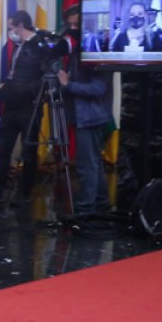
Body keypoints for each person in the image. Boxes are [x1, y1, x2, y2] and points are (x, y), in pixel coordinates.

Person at [0, 10, 46, 206]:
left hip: (29, 108)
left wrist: (22, 89)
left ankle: (24, 194)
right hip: (11, 107)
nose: (10, 32)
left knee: (29, 151)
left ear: (21, 26)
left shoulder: (39, 46)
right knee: (2, 149)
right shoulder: (19, 46)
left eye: (11, 28)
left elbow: (44, 78)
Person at [56, 32, 114, 216]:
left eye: (75, 25)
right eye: (70, 25)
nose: (72, 29)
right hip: (87, 115)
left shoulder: (97, 53)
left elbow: (97, 88)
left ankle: (85, 208)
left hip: (90, 116)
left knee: (86, 165)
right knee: (94, 162)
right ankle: (101, 203)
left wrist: (67, 85)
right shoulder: (78, 51)